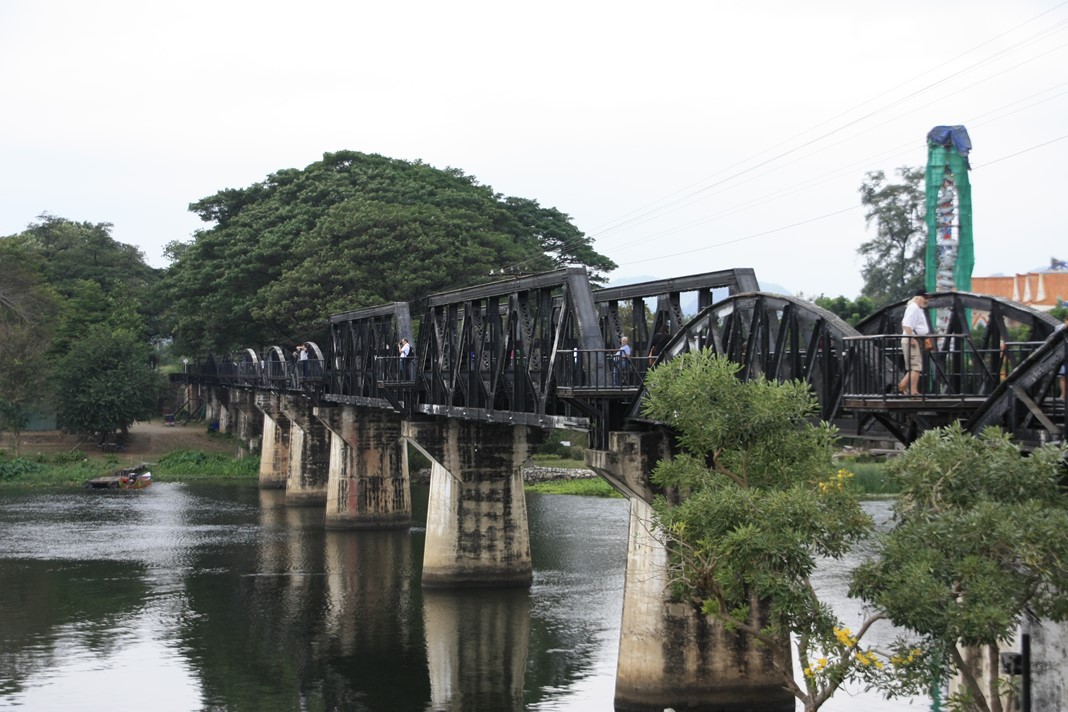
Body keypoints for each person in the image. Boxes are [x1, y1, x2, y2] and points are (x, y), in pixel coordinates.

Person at [897, 290, 931, 395]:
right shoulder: (914, 308)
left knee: (914, 367)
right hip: (911, 339)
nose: (927, 300)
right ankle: (913, 392)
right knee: (916, 367)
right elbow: (906, 324)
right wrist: (911, 338)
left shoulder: (917, 308)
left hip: (913, 339)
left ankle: (902, 386)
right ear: (918, 297)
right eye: (925, 297)